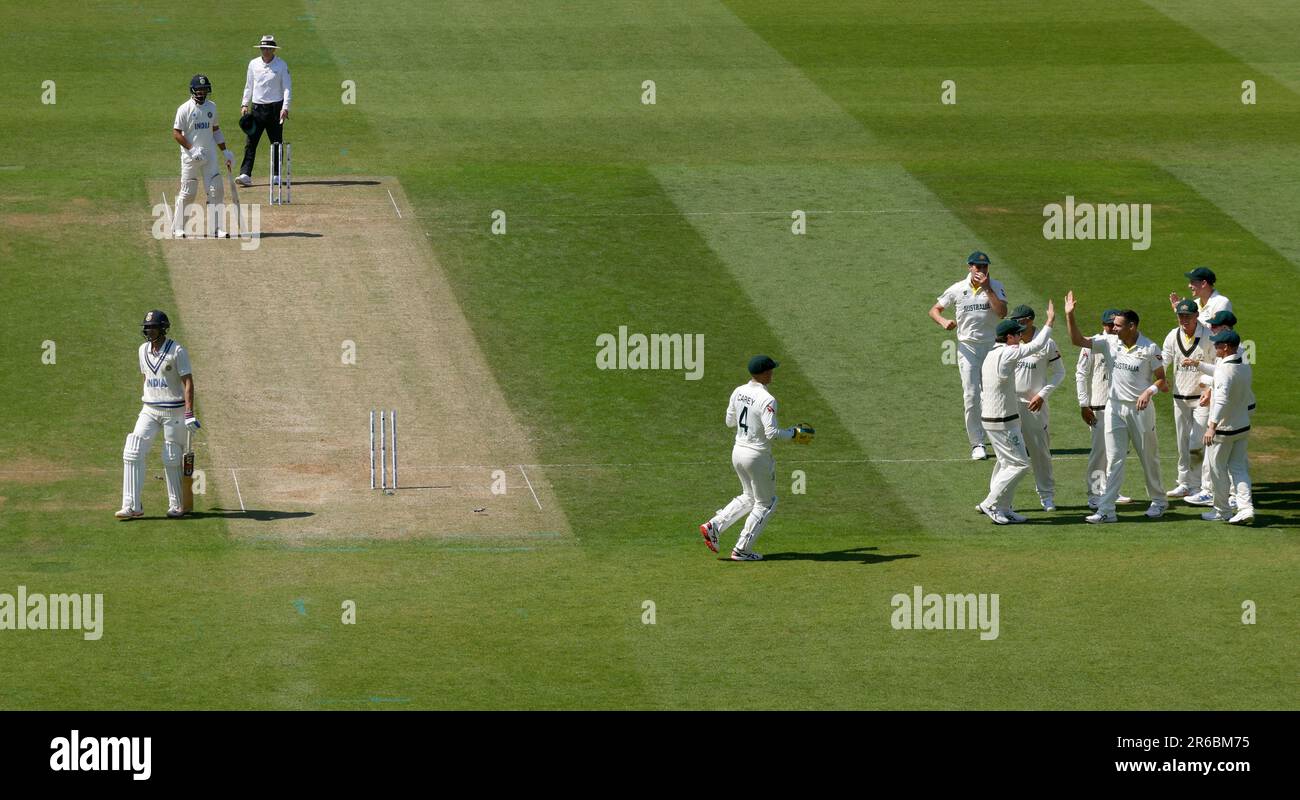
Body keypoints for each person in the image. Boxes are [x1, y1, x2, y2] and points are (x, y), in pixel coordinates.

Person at [1065, 293, 1169, 523]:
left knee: (1148, 457)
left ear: (1132, 326)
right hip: (1113, 408)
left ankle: (1159, 501)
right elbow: (1077, 340)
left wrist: (1148, 392)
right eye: (1112, 325)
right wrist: (1069, 315)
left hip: (1140, 411)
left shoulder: (1149, 347)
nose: (1113, 329)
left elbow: (1162, 380)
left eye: (1118, 326)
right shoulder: (1109, 342)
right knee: (1114, 459)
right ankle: (1106, 510)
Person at [699, 356, 813, 561]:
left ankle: (714, 525)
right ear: (764, 373)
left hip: (738, 452)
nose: (772, 373)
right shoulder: (767, 399)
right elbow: (772, 433)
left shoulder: (738, 391)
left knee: (749, 496)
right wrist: (794, 434)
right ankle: (741, 550)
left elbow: (729, 422)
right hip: (757, 456)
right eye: (771, 370)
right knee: (766, 503)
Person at [975, 303, 1055, 524]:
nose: (1020, 338)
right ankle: (991, 503)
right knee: (1019, 464)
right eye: (1018, 335)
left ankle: (1003, 507)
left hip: (995, 418)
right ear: (1009, 337)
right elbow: (1036, 345)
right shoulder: (1008, 352)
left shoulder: (991, 353)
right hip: (1003, 420)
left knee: (1007, 463)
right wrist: (1049, 322)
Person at [116, 311, 201, 519]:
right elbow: (145, 377)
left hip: (174, 409)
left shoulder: (177, 351)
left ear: (163, 329)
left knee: (171, 455)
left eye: (152, 327)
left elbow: (188, 383)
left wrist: (189, 413)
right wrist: (149, 397)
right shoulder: (142, 350)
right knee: (132, 450)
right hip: (150, 408)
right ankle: (132, 506)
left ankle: (177, 504)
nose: (148, 331)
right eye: (146, 327)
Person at [929, 251, 1009, 460]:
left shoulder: (996, 286)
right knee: (971, 395)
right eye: (977, 266)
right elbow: (934, 310)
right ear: (970, 267)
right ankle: (977, 443)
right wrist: (943, 322)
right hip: (968, 348)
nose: (981, 270)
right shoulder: (957, 289)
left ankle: (1000, 439)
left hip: (992, 347)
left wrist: (987, 288)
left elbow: (1002, 313)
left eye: (985, 267)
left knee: (995, 393)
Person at [1183, 309, 1254, 507]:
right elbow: (1222, 374)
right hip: (1239, 415)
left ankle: (1223, 503)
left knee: (1219, 464)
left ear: (1225, 329)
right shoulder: (1234, 355)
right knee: (1236, 464)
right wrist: (1199, 366)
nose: (1211, 329)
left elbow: (1224, 386)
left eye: (1215, 326)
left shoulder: (1236, 353)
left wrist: (1212, 426)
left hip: (1230, 414)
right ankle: (1242, 503)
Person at [1075, 308, 1133, 508]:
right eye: (1108, 324)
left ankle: (1110, 490)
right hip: (1099, 406)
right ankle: (1095, 493)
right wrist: (1084, 404)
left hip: (1119, 405)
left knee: (1116, 452)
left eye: (1114, 324)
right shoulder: (1093, 343)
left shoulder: (1124, 344)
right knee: (1100, 453)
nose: (1112, 328)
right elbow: (1081, 374)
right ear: (1103, 325)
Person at [1008, 305, 1064, 511]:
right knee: (1009, 454)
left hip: (1034, 406)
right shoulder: (1009, 340)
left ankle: (1047, 496)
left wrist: (1042, 395)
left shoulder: (1046, 342)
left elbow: (1059, 373)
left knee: (1040, 452)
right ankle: (1002, 499)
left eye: (1020, 321)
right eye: (1014, 321)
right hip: (1009, 405)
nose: (1016, 324)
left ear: (1030, 319)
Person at [1162, 299, 1215, 499]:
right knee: (1182, 443)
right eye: (1181, 316)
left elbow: (1217, 366)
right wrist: (1160, 377)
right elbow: (1164, 359)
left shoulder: (1208, 336)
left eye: (1188, 316)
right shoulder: (1172, 335)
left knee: (1196, 442)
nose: (1184, 320)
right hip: (1180, 397)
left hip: (1202, 397)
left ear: (1196, 316)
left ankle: (1197, 485)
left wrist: (1210, 390)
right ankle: (1183, 483)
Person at [171, 74, 234, 238]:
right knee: (189, 191)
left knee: (216, 190)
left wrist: (225, 151)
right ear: (193, 91)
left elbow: (216, 130)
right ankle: (178, 227)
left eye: (204, 89)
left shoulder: (212, 107)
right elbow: (176, 133)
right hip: (190, 157)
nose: (202, 92)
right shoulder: (184, 109)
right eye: (199, 90)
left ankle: (217, 228)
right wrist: (192, 150)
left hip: (209, 154)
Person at [1201, 330, 1254, 524]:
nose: (1214, 347)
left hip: (1223, 430)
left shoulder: (1224, 370)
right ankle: (1246, 508)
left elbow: (1221, 400)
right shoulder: (1244, 365)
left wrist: (1211, 427)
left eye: (1217, 345)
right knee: (1239, 469)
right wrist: (1199, 366)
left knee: (1217, 470)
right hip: (1242, 426)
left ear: (1225, 347)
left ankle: (1222, 511)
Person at [236, 35, 292, 187]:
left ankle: (276, 175)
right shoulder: (253, 64)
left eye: (268, 48)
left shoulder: (281, 65)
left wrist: (285, 107)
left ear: (273, 50)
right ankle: (245, 174)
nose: (266, 51)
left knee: (276, 143)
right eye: (263, 48)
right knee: (251, 142)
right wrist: (244, 104)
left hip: (275, 109)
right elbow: (249, 85)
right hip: (257, 109)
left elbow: (287, 87)